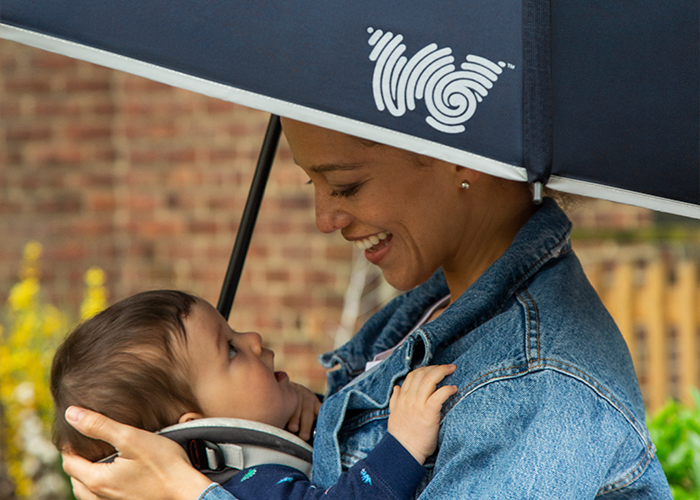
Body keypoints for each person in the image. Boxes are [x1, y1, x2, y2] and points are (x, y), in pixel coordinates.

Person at [61, 119, 672, 499]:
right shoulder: (417, 317)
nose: (325, 219)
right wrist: (309, 424)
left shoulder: (538, 386)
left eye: (346, 185)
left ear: (460, 154)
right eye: (314, 186)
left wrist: (183, 492)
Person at [52, 289, 458, 500]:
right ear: (199, 434)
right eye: (230, 349)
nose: (254, 339)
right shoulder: (251, 486)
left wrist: (307, 413)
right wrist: (403, 444)